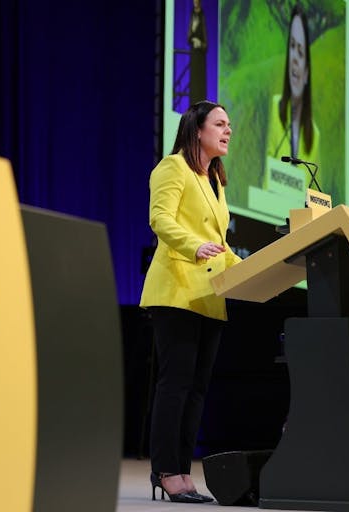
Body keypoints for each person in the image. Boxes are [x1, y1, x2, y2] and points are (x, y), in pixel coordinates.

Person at [140, 100, 242, 503]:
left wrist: (259, 268)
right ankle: (165, 470)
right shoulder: (173, 167)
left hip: (209, 297)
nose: (228, 130)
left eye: (229, 124)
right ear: (197, 129)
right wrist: (194, 245)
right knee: (176, 384)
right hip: (176, 291)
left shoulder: (216, 181)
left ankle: (182, 469)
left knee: (197, 389)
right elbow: (160, 218)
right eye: (220, 123)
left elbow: (221, 246)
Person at [265, 5, 319, 181]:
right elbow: (266, 175)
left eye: (301, 52)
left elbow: (316, 199)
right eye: (292, 47)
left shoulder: (315, 136)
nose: (294, 58)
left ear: (307, 72)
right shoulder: (275, 108)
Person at [188, 0, 208, 104]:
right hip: (194, 54)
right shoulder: (192, 14)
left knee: (200, 83)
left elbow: (206, 42)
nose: (195, 2)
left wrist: (200, 43)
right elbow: (189, 36)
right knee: (194, 83)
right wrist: (193, 35)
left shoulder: (202, 15)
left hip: (200, 55)